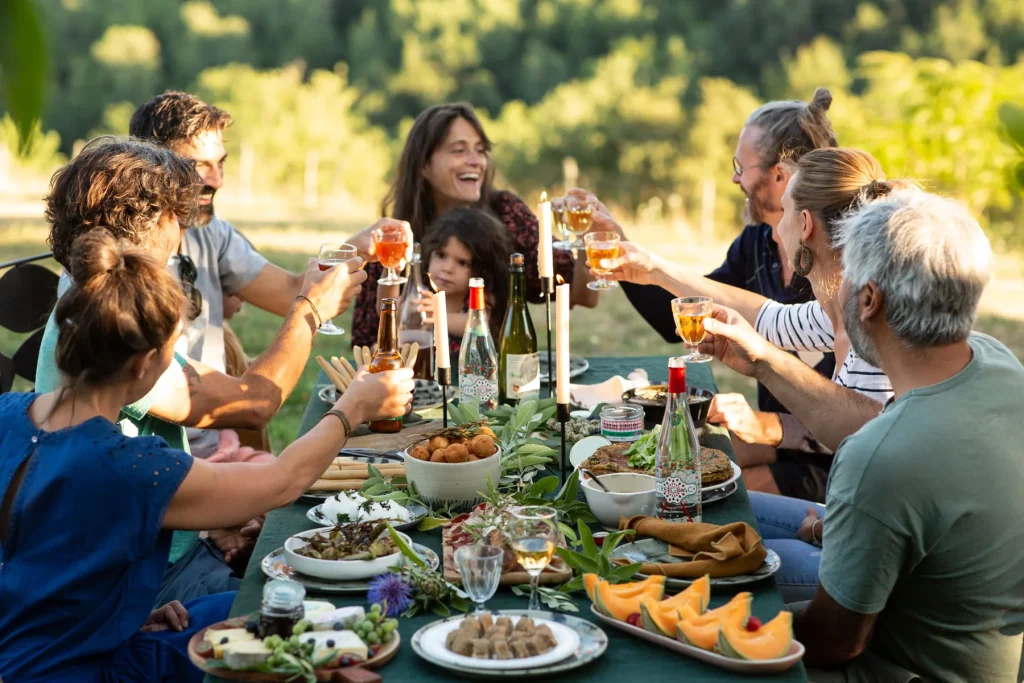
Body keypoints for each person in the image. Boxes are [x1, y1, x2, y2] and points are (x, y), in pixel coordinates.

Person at [0, 231, 414, 683]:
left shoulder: (8, 415)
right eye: (173, 355)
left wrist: (119, 614)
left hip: (46, 643)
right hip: (74, 669)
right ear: (143, 366)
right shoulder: (131, 466)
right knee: (299, 619)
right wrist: (352, 407)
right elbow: (282, 481)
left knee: (240, 611)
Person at [33, 136, 377, 604]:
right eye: (177, 220)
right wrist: (314, 322)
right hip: (148, 582)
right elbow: (252, 404)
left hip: (148, 560)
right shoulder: (116, 335)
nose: (181, 238)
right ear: (153, 223)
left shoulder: (83, 307)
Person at [699, 191, 1024, 681]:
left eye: (846, 274)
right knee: (711, 513)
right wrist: (763, 360)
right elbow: (884, 443)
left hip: (894, 667)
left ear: (869, 299)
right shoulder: (994, 360)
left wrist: (708, 625)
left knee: (702, 587)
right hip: (953, 630)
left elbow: (834, 643)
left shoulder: (882, 457)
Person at [581, 88, 839, 501]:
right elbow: (685, 315)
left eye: (741, 166)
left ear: (781, 175)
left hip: (830, 461)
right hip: (777, 437)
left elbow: (859, 419)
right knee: (664, 460)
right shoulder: (757, 244)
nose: (735, 178)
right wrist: (631, 257)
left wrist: (766, 424)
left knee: (692, 490)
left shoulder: (840, 271)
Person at [596, 149, 898, 501]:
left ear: (805, 224)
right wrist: (653, 269)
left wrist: (763, 363)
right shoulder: (838, 308)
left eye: (784, 212)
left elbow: (873, 433)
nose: (773, 234)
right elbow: (768, 318)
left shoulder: (870, 314)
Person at [351, 102, 598, 349]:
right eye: (459, 151)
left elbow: (584, 296)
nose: (475, 161)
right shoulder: (396, 235)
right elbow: (368, 340)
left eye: (480, 150)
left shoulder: (507, 213)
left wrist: (585, 236)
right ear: (424, 165)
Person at [421, 207, 513, 360]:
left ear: (483, 271)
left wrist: (438, 316)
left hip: (468, 379)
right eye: (441, 255)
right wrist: (390, 273)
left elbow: (479, 325)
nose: (447, 268)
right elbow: (389, 310)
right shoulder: (423, 291)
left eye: (463, 263)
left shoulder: (478, 299)